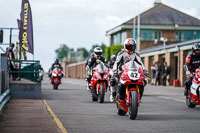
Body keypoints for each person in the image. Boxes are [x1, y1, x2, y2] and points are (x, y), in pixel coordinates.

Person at [110, 38, 149, 106]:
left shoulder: (136, 54)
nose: (131, 48)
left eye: (133, 46)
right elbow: (116, 63)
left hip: (133, 71)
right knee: (113, 80)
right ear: (125, 46)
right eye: (130, 46)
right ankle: (113, 94)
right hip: (122, 71)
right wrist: (115, 71)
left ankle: (138, 97)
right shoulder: (121, 53)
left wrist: (144, 71)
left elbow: (141, 64)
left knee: (143, 82)